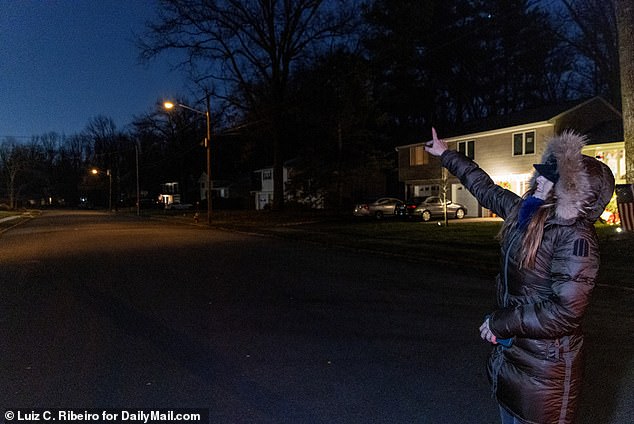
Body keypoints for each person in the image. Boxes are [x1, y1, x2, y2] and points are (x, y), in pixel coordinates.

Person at [425, 128, 615, 424]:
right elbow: (486, 189)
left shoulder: (576, 237)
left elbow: (564, 312)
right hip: (515, 358)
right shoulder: (527, 213)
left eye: (551, 174)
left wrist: (499, 323)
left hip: (546, 371)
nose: (539, 176)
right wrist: (446, 155)